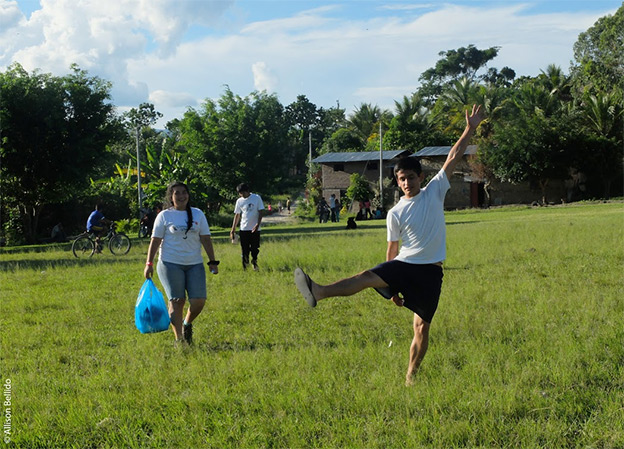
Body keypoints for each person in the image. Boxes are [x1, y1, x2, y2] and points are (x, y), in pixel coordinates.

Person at [294, 105, 484, 386]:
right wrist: (389, 286)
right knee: (367, 277)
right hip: (404, 266)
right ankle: (319, 291)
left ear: (420, 177)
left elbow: (453, 156)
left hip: (430, 272)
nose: (407, 182)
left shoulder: (434, 191)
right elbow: (392, 251)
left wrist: (469, 129)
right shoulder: (395, 212)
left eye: (411, 177)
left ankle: (410, 377)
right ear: (397, 181)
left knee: (421, 328)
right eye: (401, 178)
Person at [144, 182, 219, 345]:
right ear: (171, 197)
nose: (181, 196)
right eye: (177, 193)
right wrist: (148, 263)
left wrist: (212, 261)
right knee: (177, 301)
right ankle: (180, 340)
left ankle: (187, 324)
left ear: (188, 195)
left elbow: (205, 238)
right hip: (170, 264)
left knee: (199, 301)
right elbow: (155, 240)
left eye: (184, 192)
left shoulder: (198, 214)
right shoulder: (164, 216)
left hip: (194, 264)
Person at [230, 183, 265, 271]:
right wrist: (233, 229)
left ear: (247, 191)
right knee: (244, 249)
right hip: (244, 229)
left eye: (242, 193)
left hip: (255, 229)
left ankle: (254, 262)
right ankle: (245, 267)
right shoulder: (239, 201)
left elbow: (261, 211)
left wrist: (257, 224)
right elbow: (237, 215)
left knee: (254, 248)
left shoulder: (256, 198)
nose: (240, 195)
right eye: (239, 193)